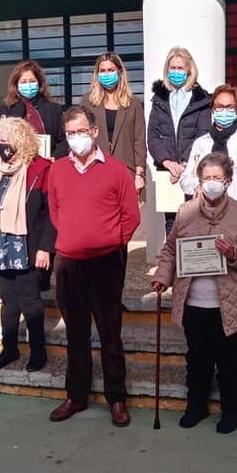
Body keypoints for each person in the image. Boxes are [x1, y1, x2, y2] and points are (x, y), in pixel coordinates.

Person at [152, 152, 237, 434]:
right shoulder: (186, 212)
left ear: (227, 181)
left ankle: (231, 411)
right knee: (197, 361)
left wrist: (234, 254)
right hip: (193, 302)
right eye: (206, 178)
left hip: (229, 304)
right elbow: (170, 250)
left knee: (229, 363)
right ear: (199, 181)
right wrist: (162, 276)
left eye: (217, 177)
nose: (211, 183)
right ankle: (196, 406)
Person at [47, 105, 141, 427]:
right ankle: (76, 395)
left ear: (95, 131)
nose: (76, 138)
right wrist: (73, 238)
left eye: (81, 131)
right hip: (69, 263)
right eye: (70, 133)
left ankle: (117, 398)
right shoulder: (57, 170)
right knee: (75, 334)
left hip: (106, 264)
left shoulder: (117, 170)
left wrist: (108, 242)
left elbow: (131, 217)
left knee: (110, 333)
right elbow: (55, 211)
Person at [180, 84, 237, 340]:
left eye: (229, 106)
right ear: (212, 110)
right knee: (212, 269)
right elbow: (186, 178)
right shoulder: (201, 143)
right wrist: (197, 185)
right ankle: (217, 316)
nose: (224, 111)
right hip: (207, 215)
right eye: (219, 106)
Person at [0, 117, 55, 373]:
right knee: (8, 301)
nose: (1, 144)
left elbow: (52, 214)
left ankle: (38, 351)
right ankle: (9, 348)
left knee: (30, 300)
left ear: (21, 140)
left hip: (29, 246)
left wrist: (45, 248)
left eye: (6, 140)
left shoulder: (41, 169)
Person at [147, 46, 212, 235]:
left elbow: (203, 134)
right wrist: (167, 162)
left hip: (193, 170)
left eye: (180, 68)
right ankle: (172, 255)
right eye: (172, 68)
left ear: (189, 70)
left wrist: (184, 163)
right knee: (171, 222)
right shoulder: (159, 99)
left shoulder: (202, 100)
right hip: (167, 170)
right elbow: (153, 135)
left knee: (195, 219)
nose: (176, 72)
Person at [80, 52, 147, 195]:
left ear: (120, 72)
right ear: (97, 74)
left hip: (126, 171)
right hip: (94, 170)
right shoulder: (87, 102)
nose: (107, 74)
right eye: (103, 71)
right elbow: (81, 136)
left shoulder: (133, 103)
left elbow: (139, 142)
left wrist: (139, 175)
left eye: (111, 70)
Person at [0, 60, 67, 159]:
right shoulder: (7, 108)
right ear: (16, 84)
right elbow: (1, 141)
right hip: (17, 163)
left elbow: (64, 140)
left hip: (48, 163)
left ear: (39, 82)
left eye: (32, 81)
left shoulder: (53, 108)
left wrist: (55, 157)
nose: (28, 85)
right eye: (23, 82)